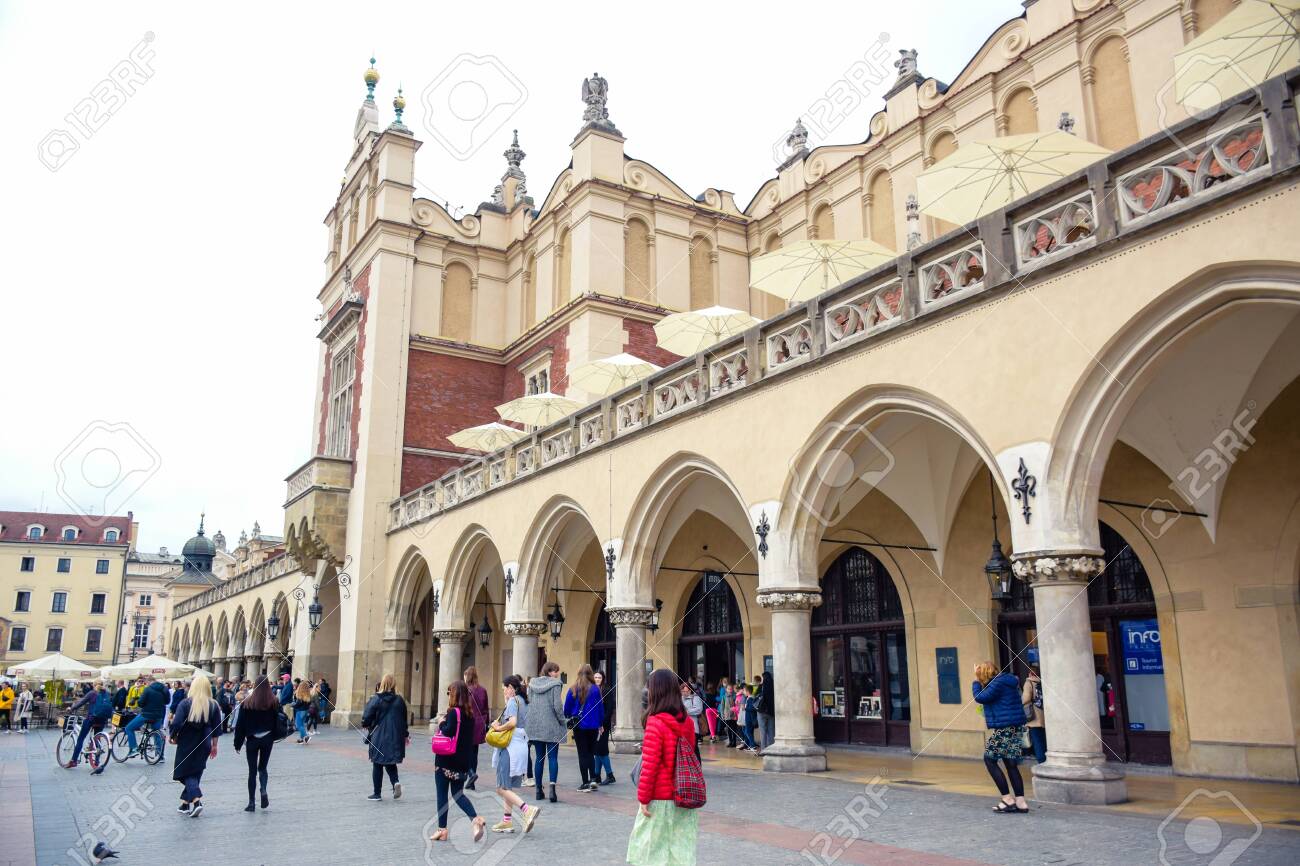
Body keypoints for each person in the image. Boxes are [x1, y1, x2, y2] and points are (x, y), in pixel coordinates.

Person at [627, 669, 700, 866]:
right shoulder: (687, 722)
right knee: (680, 852)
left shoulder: (655, 722)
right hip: (684, 795)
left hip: (659, 798)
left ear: (655, 691)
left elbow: (649, 766)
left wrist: (643, 798)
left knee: (648, 852)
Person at [430, 680, 485, 844]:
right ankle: (475, 819)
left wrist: (441, 723)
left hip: (445, 761)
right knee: (457, 794)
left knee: (442, 795)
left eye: (449, 693)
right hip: (461, 762)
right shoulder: (470, 715)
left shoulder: (453, 712)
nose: (448, 696)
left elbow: (447, 731)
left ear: (454, 694)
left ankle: (442, 830)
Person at [972, 661, 1029, 814]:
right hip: (1014, 727)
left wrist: (976, 682)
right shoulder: (1007, 681)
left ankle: (1007, 799)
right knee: (1010, 763)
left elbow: (980, 697)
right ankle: (1021, 802)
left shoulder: (997, 684)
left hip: (1005, 728)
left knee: (989, 759)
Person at [489, 674, 540, 833]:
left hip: (510, 746)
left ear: (511, 688)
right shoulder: (524, 701)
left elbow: (512, 722)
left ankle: (526, 809)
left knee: (501, 787)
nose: (503, 692)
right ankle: (507, 821)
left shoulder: (512, 701)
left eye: (504, 689)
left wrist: (497, 728)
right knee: (508, 786)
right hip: (521, 745)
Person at [170, 673, 223, 817]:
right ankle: (185, 804)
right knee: (195, 771)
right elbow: (217, 728)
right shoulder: (213, 704)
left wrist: (173, 736)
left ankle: (197, 800)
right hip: (205, 741)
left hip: (187, 740)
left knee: (184, 772)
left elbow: (176, 723)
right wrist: (214, 745)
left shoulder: (185, 703)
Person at [233, 676, 281, 812]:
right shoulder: (274, 701)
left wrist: (237, 743)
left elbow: (240, 725)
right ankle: (263, 789)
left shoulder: (247, 703)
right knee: (263, 767)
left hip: (252, 739)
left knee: (252, 771)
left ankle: (251, 803)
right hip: (267, 738)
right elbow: (278, 719)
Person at [361, 674, 409, 801]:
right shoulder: (400, 700)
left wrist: (365, 724)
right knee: (390, 761)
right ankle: (395, 782)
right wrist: (406, 734)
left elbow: (367, 715)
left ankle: (377, 793)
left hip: (379, 735)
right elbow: (404, 719)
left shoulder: (376, 698)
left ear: (382, 683)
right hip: (395, 736)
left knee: (377, 763)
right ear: (394, 684)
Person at [526, 661, 566, 803]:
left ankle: (538, 790)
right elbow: (557, 706)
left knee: (539, 758)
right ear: (549, 671)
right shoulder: (556, 684)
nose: (557, 674)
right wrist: (563, 721)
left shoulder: (531, 684)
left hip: (536, 726)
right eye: (555, 671)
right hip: (552, 727)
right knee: (553, 758)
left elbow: (529, 701)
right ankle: (552, 791)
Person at [564, 664, 603, 792]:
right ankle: (593, 779)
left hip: (579, 726)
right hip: (593, 725)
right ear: (591, 674)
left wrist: (571, 715)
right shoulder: (596, 689)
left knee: (582, 754)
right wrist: (600, 724)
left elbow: (566, 709)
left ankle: (585, 782)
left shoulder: (573, 689)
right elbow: (600, 709)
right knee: (591, 753)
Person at [64, 680, 114, 772]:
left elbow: (80, 703)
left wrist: (71, 709)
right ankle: (97, 762)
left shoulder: (92, 693)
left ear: (94, 685)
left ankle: (73, 761)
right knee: (97, 739)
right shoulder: (106, 693)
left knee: (81, 739)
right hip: (102, 720)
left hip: (91, 719)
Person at [126, 677, 169, 759]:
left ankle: (134, 749)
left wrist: (138, 700)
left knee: (129, 728)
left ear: (149, 682)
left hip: (146, 715)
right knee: (157, 732)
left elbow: (140, 703)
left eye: (146, 682)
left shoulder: (148, 689)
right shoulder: (164, 689)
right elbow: (167, 701)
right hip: (159, 715)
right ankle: (160, 755)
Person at [464, 667, 489, 790]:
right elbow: (486, 709)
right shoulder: (482, 690)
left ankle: (471, 774)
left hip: (468, 723)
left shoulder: (465, 690)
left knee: (463, 752)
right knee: (474, 753)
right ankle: (471, 782)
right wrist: (486, 724)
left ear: (467, 676)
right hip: (479, 724)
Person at [592, 670, 616, 784]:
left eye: (599, 677)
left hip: (603, 725)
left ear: (603, 678)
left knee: (602, 749)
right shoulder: (593, 690)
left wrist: (602, 723)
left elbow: (610, 708)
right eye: (595, 677)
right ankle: (597, 775)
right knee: (597, 750)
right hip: (595, 724)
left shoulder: (606, 690)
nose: (597, 679)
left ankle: (610, 775)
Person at [1021, 665, 1046, 764]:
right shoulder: (1043, 682)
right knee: (1043, 740)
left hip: (1034, 717)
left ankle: (1041, 761)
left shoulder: (1029, 682)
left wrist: (1021, 702)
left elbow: (1026, 698)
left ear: (1030, 673)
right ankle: (1045, 759)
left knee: (1037, 741)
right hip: (1044, 715)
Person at [680, 680, 704, 757]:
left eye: (686, 691)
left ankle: (698, 766)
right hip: (683, 727)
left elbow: (699, 710)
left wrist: (686, 711)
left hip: (694, 727)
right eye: (683, 691)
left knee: (694, 748)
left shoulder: (695, 698)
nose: (684, 693)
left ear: (690, 690)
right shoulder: (680, 698)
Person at [756, 672, 775, 752]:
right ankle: (772, 749)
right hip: (771, 711)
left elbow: (755, 696)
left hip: (761, 711)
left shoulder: (761, 686)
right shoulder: (774, 686)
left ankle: (764, 749)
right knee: (771, 731)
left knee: (763, 731)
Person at [742, 684, 759, 752]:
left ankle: (753, 745)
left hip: (750, 719)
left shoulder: (750, 699)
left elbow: (752, 709)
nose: (743, 692)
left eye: (744, 691)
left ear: (748, 692)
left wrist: (745, 708)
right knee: (749, 732)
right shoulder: (749, 698)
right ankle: (750, 745)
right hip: (748, 718)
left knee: (747, 732)